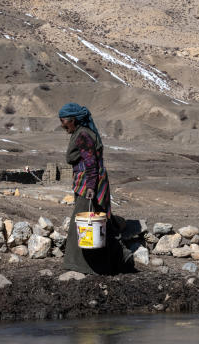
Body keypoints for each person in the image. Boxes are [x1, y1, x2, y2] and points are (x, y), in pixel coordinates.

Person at [58, 102, 133, 274]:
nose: (62, 125)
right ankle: (119, 259)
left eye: (63, 121)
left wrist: (91, 187)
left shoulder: (83, 135)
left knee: (83, 225)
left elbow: (91, 163)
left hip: (89, 186)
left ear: (72, 120)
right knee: (99, 224)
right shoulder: (79, 133)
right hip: (85, 184)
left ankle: (83, 266)